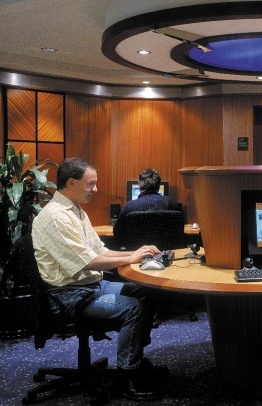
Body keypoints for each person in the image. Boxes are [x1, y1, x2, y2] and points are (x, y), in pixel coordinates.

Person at [31, 158, 168, 401]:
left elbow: (100, 251)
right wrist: (132, 257)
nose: (95, 189)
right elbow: (87, 262)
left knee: (146, 292)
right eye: (90, 184)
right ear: (71, 183)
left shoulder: (75, 210)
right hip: (68, 295)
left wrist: (136, 253)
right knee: (134, 308)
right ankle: (126, 377)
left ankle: (135, 357)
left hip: (89, 285)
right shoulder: (55, 217)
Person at [113, 168, 177, 248]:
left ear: (139, 184)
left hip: (136, 253)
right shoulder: (170, 203)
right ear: (158, 186)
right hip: (165, 252)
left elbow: (118, 234)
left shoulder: (129, 206)